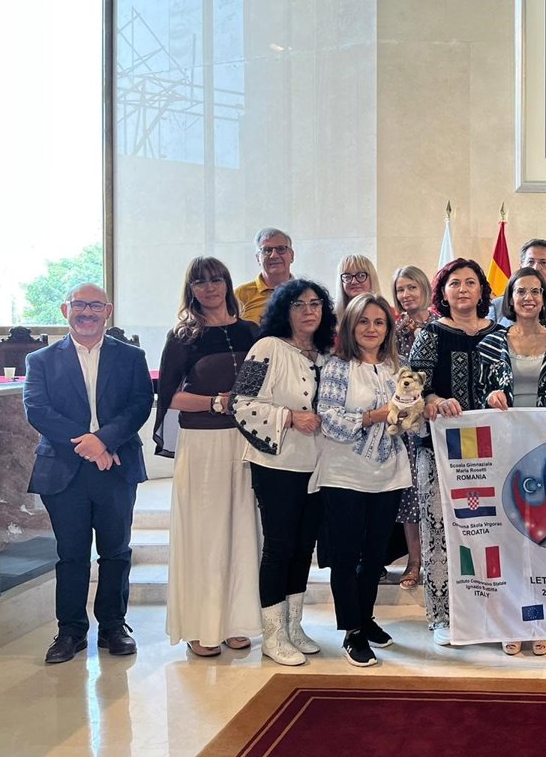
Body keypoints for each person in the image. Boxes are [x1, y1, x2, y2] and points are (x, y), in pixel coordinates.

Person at [23, 284, 153, 664]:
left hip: (117, 466)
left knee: (116, 551)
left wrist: (105, 441)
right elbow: (37, 409)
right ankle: (71, 631)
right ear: (66, 309)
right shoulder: (41, 360)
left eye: (95, 305)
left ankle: (113, 626)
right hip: (64, 470)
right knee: (71, 554)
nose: (87, 312)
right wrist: (88, 445)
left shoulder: (131, 357)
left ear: (107, 311)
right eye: (79, 305)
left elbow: (140, 403)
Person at [154, 258, 261, 658]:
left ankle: (236, 621)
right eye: (200, 282)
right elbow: (168, 397)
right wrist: (217, 402)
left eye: (216, 280)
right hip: (202, 445)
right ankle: (201, 624)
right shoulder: (183, 336)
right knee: (204, 533)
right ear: (191, 290)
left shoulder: (250, 331)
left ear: (227, 284)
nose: (210, 287)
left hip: (244, 442)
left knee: (241, 529)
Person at [233, 278, 336, 666]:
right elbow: (240, 403)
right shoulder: (268, 348)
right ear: (284, 310)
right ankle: (273, 635)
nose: (309, 311)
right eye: (299, 304)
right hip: (276, 464)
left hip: (317, 465)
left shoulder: (326, 354)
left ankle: (294, 627)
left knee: (304, 547)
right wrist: (289, 417)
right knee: (279, 547)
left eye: (315, 303)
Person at [407, 259, 500, 646]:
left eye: (471, 282)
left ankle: (491, 610)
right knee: (440, 531)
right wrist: (432, 399)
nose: (463, 289)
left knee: (490, 531)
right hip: (441, 450)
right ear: (442, 292)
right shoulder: (430, 333)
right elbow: (412, 384)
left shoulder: (500, 334)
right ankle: (443, 615)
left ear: (482, 290)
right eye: (454, 283)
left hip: (492, 452)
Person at [317, 294, 412, 667]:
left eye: (379, 322)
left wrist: (413, 416)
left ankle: (366, 617)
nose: (372, 329)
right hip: (345, 474)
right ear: (350, 325)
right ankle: (351, 629)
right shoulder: (337, 366)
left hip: (388, 474)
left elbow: (409, 417)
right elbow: (329, 419)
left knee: (375, 555)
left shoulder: (395, 368)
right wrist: (375, 416)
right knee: (345, 555)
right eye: (364, 321)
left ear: (388, 329)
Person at [477, 266, 546, 656]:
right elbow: (476, 391)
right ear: (509, 299)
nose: (528, 298)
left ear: (545, 299)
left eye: (536, 291)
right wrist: (489, 397)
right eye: (521, 291)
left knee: (544, 537)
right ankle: (511, 620)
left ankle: (542, 619)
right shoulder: (489, 343)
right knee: (509, 540)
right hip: (504, 450)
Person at [389, 264, 438, 588]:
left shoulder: (440, 325)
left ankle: (439, 559)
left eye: (411, 288)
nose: (406, 295)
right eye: (400, 289)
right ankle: (414, 560)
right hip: (405, 424)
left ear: (424, 289)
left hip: (435, 420)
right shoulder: (393, 330)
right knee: (410, 494)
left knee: (435, 493)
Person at [488, 239, 546, 336]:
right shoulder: (497, 306)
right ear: (521, 267)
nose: (536, 268)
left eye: (543, 263)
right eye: (530, 262)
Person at [235, 227, 295, 324]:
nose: (274, 255)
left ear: (292, 256)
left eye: (281, 249)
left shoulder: (305, 293)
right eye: (267, 250)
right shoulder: (241, 295)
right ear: (258, 258)